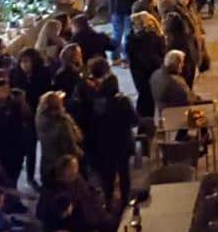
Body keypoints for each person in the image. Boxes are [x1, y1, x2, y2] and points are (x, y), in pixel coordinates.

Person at [76, 66, 136, 205]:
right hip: (123, 143)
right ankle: (125, 200)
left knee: (108, 176)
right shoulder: (123, 101)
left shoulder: (97, 104)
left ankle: (108, 201)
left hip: (106, 145)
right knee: (124, 173)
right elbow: (134, 120)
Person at [34, 91, 83, 185]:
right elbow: (70, 146)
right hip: (62, 166)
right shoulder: (62, 123)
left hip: (46, 163)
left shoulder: (40, 116)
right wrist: (81, 155)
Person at [126, 12, 165, 118]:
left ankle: (145, 123)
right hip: (149, 74)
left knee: (145, 98)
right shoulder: (147, 38)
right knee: (148, 100)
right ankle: (146, 125)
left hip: (139, 74)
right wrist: (162, 66)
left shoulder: (131, 39)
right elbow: (151, 58)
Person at [150, 49, 197, 113]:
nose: (183, 65)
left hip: (162, 112)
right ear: (177, 63)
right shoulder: (176, 82)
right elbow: (190, 101)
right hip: (178, 114)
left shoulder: (155, 75)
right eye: (182, 62)